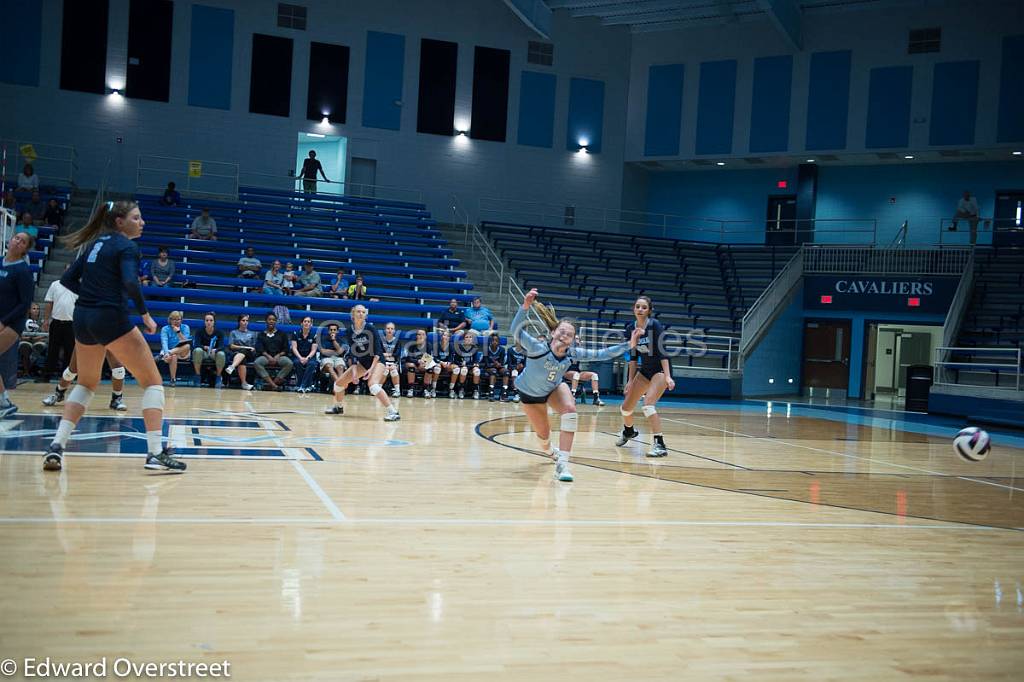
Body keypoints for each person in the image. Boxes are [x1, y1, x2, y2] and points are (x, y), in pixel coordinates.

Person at [41, 200, 184, 472]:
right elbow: (131, 282)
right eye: (136, 217)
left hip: (82, 318)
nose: (142, 223)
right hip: (109, 316)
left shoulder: (95, 244)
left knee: (86, 383)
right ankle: (155, 454)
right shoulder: (126, 246)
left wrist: (91, 297)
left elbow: (68, 281)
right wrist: (145, 315)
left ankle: (57, 446)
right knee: (153, 382)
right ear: (120, 221)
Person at [511, 288, 640, 482]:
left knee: (570, 410)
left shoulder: (572, 353)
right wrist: (525, 307)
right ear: (553, 332)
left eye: (569, 334)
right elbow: (516, 331)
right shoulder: (537, 347)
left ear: (572, 340)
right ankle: (550, 451)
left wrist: (628, 345)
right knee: (544, 438)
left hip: (554, 388)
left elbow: (602, 354)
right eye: (562, 331)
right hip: (530, 396)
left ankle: (563, 464)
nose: (564, 335)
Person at [616, 296, 675, 458]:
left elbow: (663, 352)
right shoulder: (630, 328)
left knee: (648, 405)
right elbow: (633, 357)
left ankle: (660, 444)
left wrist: (668, 377)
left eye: (644, 307)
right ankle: (629, 431)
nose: (640, 309)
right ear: (633, 309)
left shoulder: (654, 325)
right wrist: (629, 381)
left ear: (649, 310)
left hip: (661, 370)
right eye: (637, 307)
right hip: (645, 370)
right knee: (625, 408)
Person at [324, 304, 400, 421]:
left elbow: (378, 351)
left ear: (366, 315)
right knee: (338, 384)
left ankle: (393, 412)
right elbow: (353, 353)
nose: (361, 314)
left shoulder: (370, 329)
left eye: (363, 312)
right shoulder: (350, 331)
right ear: (353, 314)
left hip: (377, 361)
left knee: (373, 386)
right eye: (358, 311)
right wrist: (354, 373)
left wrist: (371, 369)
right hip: (363, 362)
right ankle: (338, 407)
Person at [0, 231, 35, 418]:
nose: (18, 242)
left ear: (25, 249)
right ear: (10, 240)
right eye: (16, 238)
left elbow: (25, 303)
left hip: (12, 323)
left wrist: (4, 322)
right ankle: (4, 402)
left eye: (23, 242)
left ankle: (4, 402)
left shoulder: (22, 271)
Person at [41, 347, 130, 411]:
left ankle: (117, 398)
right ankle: (58, 393)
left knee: (119, 370)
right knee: (71, 371)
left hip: (107, 334)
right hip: (87, 334)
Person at [42, 269, 77, 383]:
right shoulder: (55, 284)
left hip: (72, 324)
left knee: (70, 351)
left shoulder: (79, 286)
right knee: (52, 350)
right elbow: (49, 303)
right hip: (56, 322)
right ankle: (47, 375)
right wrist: (46, 320)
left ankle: (67, 377)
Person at [253, 312, 292, 390]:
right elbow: (259, 348)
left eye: (273, 320)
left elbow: (286, 348)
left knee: (289, 363)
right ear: (266, 321)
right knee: (257, 362)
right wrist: (268, 356)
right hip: (265, 356)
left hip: (279, 356)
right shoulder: (261, 334)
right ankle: (273, 385)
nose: (271, 321)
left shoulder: (282, 334)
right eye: (269, 319)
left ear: (276, 322)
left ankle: (271, 384)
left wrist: (278, 355)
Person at [192, 312, 226, 388]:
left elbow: (222, 346)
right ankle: (198, 376)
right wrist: (205, 347)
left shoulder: (219, 332)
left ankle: (218, 377)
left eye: (211, 320)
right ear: (204, 321)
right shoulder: (199, 331)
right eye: (207, 320)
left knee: (221, 354)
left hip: (214, 354)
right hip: (203, 353)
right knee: (197, 350)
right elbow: (196, 344)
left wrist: (216, 350)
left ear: (214, 322)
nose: (209, 322)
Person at [159, 311, 192, 386]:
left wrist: (178, 332)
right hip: (169, 353)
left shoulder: (185, 327)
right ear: (170, 320)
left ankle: (167, 353)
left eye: (178, 319)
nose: (176, 321)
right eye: (174, 319)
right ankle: (173, 379)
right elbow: (164, 342)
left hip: (182, 351)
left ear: (181, 320)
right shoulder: (165, 329)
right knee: (174, 356)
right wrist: (167, 352)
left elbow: (186, 341)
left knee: (187, 346)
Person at [224, 313, 256, 390]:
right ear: (239, 322)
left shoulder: (252, 333)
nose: (245, 322)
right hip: (236, 354)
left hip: (249, 354)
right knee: (242, 359)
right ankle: (244, 383)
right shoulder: (233, 332)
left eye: (247, 321)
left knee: (244, 352)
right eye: (243, 320)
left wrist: (250, 348)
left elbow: (254, 347)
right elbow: (231, 346)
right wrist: (244, 347)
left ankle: (232, 367)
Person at [402, 328, 435, 398]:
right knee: (411, 365)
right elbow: (408, 358)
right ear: (416, 336)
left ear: (426, 336)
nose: (421, 336)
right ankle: (410, 389)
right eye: (419, 334)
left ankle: (426, 389)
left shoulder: (428, 345)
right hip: (413, 363)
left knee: (430, 367)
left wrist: (422, 364)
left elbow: (429, 358)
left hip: (422, 365)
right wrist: (418, 362)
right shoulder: (411, 345)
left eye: (423, 334)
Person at [290, 315, 319, 393]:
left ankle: (301, 385)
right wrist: (300, 358)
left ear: (311, 324)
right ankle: (307, 385)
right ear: (301, 323)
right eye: (305, 321)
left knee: (312, 364)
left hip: (310, 357)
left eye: (308, 322)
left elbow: (314, 350)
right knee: (297, 362)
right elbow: (294, 348)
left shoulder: (315, 336)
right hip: (298, 356)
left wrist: (307, 358)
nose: (306, 323)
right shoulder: (295, 333)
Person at [18, 303, 48, 378]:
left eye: (38, 309)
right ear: (29, 310)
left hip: (38, 342)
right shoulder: (23, 321)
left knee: (39, 346)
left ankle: (29, 369)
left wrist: (33, 339)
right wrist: (30, 338)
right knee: (25, 346)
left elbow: (44, 336)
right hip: (26, 341)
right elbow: (19, 335)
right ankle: (26, 371)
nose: (36, 310)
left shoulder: (42, 322)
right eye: (34, 309)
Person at [453, 329, 482, 399]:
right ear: (463, 339)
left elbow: (476, 360)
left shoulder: (475, 348)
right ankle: (461, 389)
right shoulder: (459, 347)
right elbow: (456, 360)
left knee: (477, 371)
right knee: (464, 370)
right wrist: (461, 363)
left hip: (470, 366)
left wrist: (476, 364)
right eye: (467, 337)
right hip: (461, 366)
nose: (469, 339)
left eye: (470, 337)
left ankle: (475, 390)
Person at [319, 322, 348, 390]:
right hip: (326, 358)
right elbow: (323, 351)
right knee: (329, 366)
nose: (332, 331)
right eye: (331, 330)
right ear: (328, 331)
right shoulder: (323, 338)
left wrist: (334, 340)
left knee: (340, 367)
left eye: (334, 330)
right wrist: (336, 352)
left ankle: (338, 387)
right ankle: (339, 385)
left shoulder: (342, 339)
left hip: (338, 358)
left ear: (337, 331)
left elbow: (340, 351)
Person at [483, 333, 510, 402]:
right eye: (493, 340)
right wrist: (494, 364)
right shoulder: (486, 349)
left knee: (506, 372)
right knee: (493, 371)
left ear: (499, 342)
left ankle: (503, 393)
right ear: (490, 341)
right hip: (489, 368)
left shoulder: (502, 349)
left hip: (498, 367)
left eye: (496, 340)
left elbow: (501, 362)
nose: (495, 342)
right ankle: (491, 393)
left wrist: (499, 364)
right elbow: (486, 363)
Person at [379, 322, 403, 397]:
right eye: (388, 328)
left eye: (392, 329)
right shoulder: (380, 340)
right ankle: (378, 389)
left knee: (393, 369)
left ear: (394, 331)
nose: (390, 330)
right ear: (385, 330)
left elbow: (397, 354)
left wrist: (387, 354)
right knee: (385, 369)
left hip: (394, 362)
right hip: (382, 362)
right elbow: (379, 353)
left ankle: (397, 391)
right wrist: (389, 355)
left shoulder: (397, 341)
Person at [433, 329, 456, 398]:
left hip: (447, 364)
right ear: (441, 337)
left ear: (449, 338)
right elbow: (434, 357)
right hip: (438, 363)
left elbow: (452, 357)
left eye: (447, 336)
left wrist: (449, 362)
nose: (445, 337)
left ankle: (451, 389)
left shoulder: (451, 346)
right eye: (444, 335)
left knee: (457, 369)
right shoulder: (436, 345)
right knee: (437, 368)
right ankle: (433, 388)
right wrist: (441, 362)